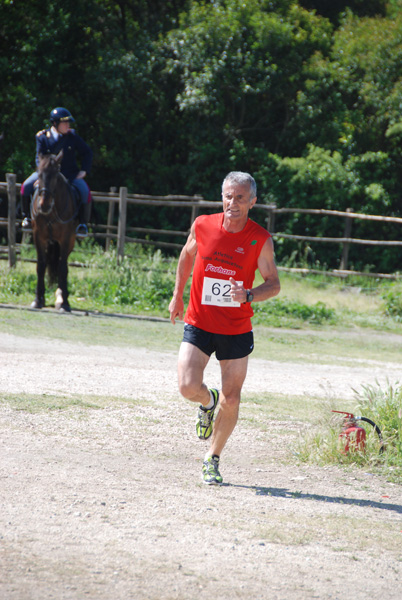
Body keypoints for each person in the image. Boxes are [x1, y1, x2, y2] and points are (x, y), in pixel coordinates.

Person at [169, 171, 280, 485]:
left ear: (252, 202)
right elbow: (186, 255)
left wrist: (248, 294)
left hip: (236, 327)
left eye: (241, 197)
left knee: (233, 398)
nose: (233, 203)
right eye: (229, 196)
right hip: (200, 321)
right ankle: (207, 401)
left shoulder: (260, 239)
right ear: (222, 198)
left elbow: (274, 284)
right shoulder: (203, 225)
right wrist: (178, 295)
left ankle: (212, 458)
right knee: (187, 386)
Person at [20, 107, 93, 236]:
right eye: (65, 123)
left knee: (85, 192)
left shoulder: (72, 137)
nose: (67, 125)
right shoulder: (42, 137)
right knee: (25, 186)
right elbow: (39, 156)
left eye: (68, 123)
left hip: (69, 174)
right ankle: (27, 218)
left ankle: (82, 224)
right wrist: (41, 175)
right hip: (46, 174)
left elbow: (87, 152)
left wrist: (84, 170)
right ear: (55, 123)